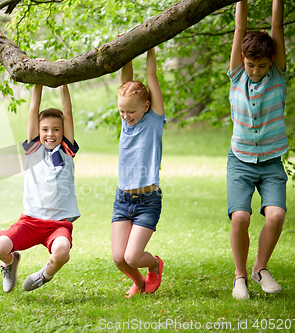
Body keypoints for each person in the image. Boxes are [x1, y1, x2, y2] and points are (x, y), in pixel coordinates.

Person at [0, 84, 80, 293]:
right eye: (45, 129)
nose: (50, 134)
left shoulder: (67, 149)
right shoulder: (34, 150)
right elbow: (32, 110)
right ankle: (10, 262)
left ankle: (45, 275)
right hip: (30, 221)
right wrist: (37, 82)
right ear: (38, 131)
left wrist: (63, 82)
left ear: (63, 131)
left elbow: (68, 112)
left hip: (58, 224)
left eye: (56, 129)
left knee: (61, 251)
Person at [227, 0, 288, 300]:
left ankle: (260, 269)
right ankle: (240, 276)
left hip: (271, 161)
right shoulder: (238, 74)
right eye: (251, 64)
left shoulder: (276, 75)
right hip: (240, 160)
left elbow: (277, 28)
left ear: (272, 62)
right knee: (240, 217)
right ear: (243, 59)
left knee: (275, 215)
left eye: (262, 65)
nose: (255, 71)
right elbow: (240, 27)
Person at [111, 48, 166, 298]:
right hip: (123, 200)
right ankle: (141, 282)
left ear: (146, 106)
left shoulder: (154, 120)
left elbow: (151, 76)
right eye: (122, 112)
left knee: (132, 256)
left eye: (131, 112)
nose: (126, 117)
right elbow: (126, 79)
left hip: (147, 200)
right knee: (119, 259)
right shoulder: (126, 121)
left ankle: (154, 265)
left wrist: (149, 46)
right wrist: (130, 47)